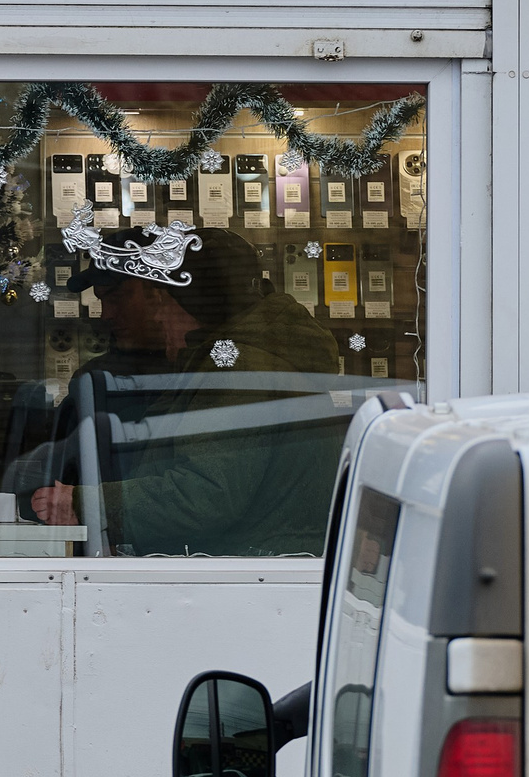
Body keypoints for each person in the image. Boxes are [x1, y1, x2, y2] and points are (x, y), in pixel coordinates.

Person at [31, 229, 343, 555]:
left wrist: (86, 504)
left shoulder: (233, 367)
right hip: (263, 565)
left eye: (164, 301)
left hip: (249, 569)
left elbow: (205, 494)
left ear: (192, 304)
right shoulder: (251, 359)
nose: (157, 314)